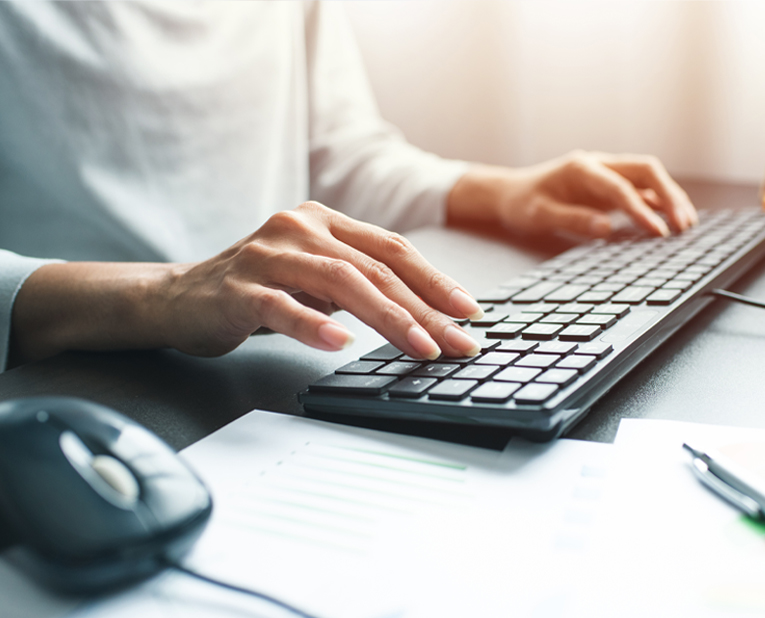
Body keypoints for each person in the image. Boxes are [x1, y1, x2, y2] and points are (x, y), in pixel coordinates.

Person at [0, 1, 697, 372]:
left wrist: (498, 192)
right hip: (79, 375)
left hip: (284, 354)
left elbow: (338, 159)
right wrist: (167, 293)